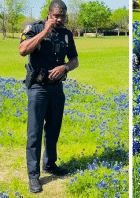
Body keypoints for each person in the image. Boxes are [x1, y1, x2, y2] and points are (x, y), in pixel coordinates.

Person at [19, 0, 78, 193]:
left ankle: (50, 164)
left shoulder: (67, 34)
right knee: (34, 133)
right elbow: (22, 50)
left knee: (53, 129)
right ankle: (34, 176)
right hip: (38, 87)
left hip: (56, 88)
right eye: (56, 16)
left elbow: (75, 60)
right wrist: (45, 31)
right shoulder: (34, 28)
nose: (59, 19)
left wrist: (65, 67)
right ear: (48, 14)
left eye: (62, 16)